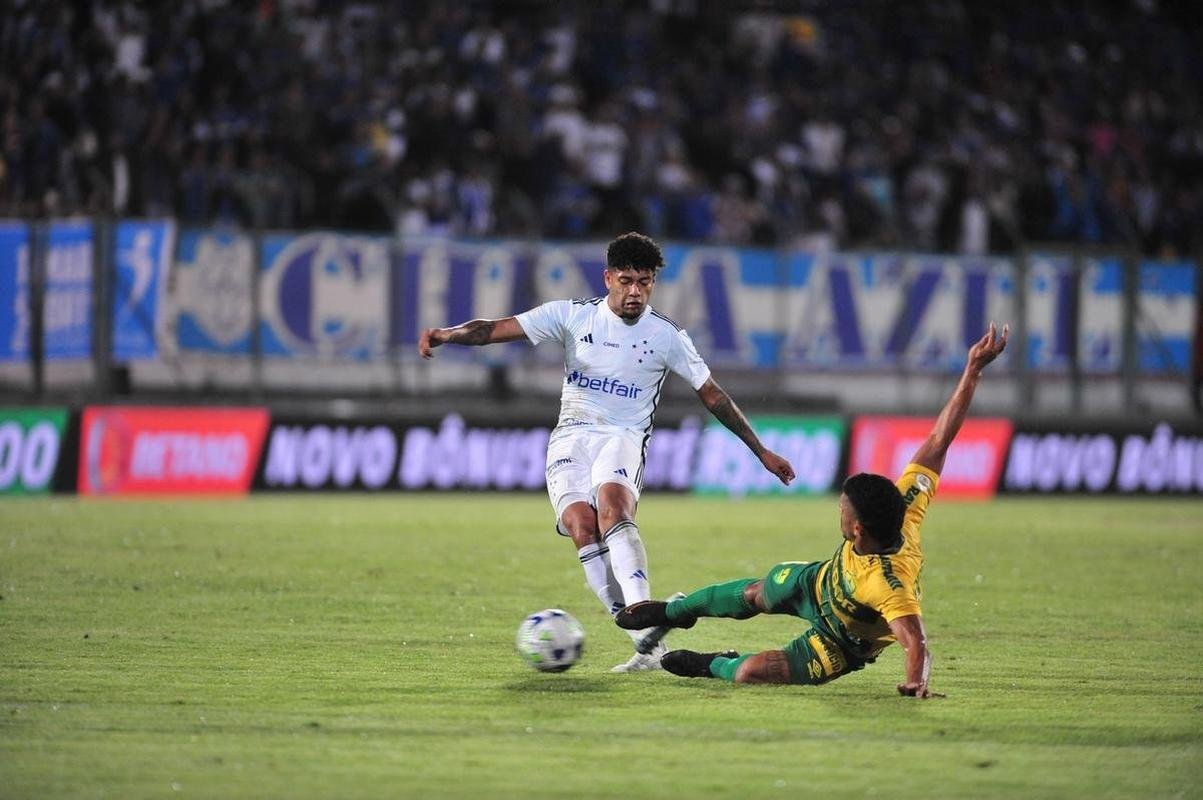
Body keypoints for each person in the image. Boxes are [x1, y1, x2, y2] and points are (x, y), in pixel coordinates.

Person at [419, 231, 796, 671]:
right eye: (626, 280)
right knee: (581, 525)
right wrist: (446, 334)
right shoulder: (571, 316)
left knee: (613, 510)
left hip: (623, 436)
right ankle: (646, 642)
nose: (635, 291)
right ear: (608, 278)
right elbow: (493, 330)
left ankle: (646, 613)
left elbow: (712, 395)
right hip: (571, 436)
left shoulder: (667, 336)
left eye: (645, 281)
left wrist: (761, 450)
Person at [616, 323, 1009, 695]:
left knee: (752, 673)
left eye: (844, 508)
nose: (839, 508)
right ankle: (674, 612)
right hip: (819, 582)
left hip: (842, 642)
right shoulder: (903, 505)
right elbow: (940, 440)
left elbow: (916, 641)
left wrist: (915, 681)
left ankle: (714, 663)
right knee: (757, 593)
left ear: (858, 531)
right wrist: (972, 370)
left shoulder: (890, 585)